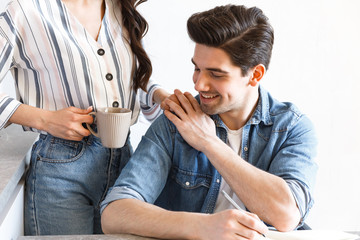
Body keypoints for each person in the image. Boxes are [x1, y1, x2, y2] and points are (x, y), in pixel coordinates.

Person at [100, 4, 318, 240]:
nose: (198, 84)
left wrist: (209, 142)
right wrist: (202, 226)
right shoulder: (176, 121)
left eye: (216, 74)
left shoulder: (290, 127)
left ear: (255, 75)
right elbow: (114, 213)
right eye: (196, 68)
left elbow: (286, 215)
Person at [0, 0, 171, 235]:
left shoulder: (120, 6)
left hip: (125, 165)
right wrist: (45, 119)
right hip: (61, 168)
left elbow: (121, 80)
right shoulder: (25, 11)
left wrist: (159, 95)